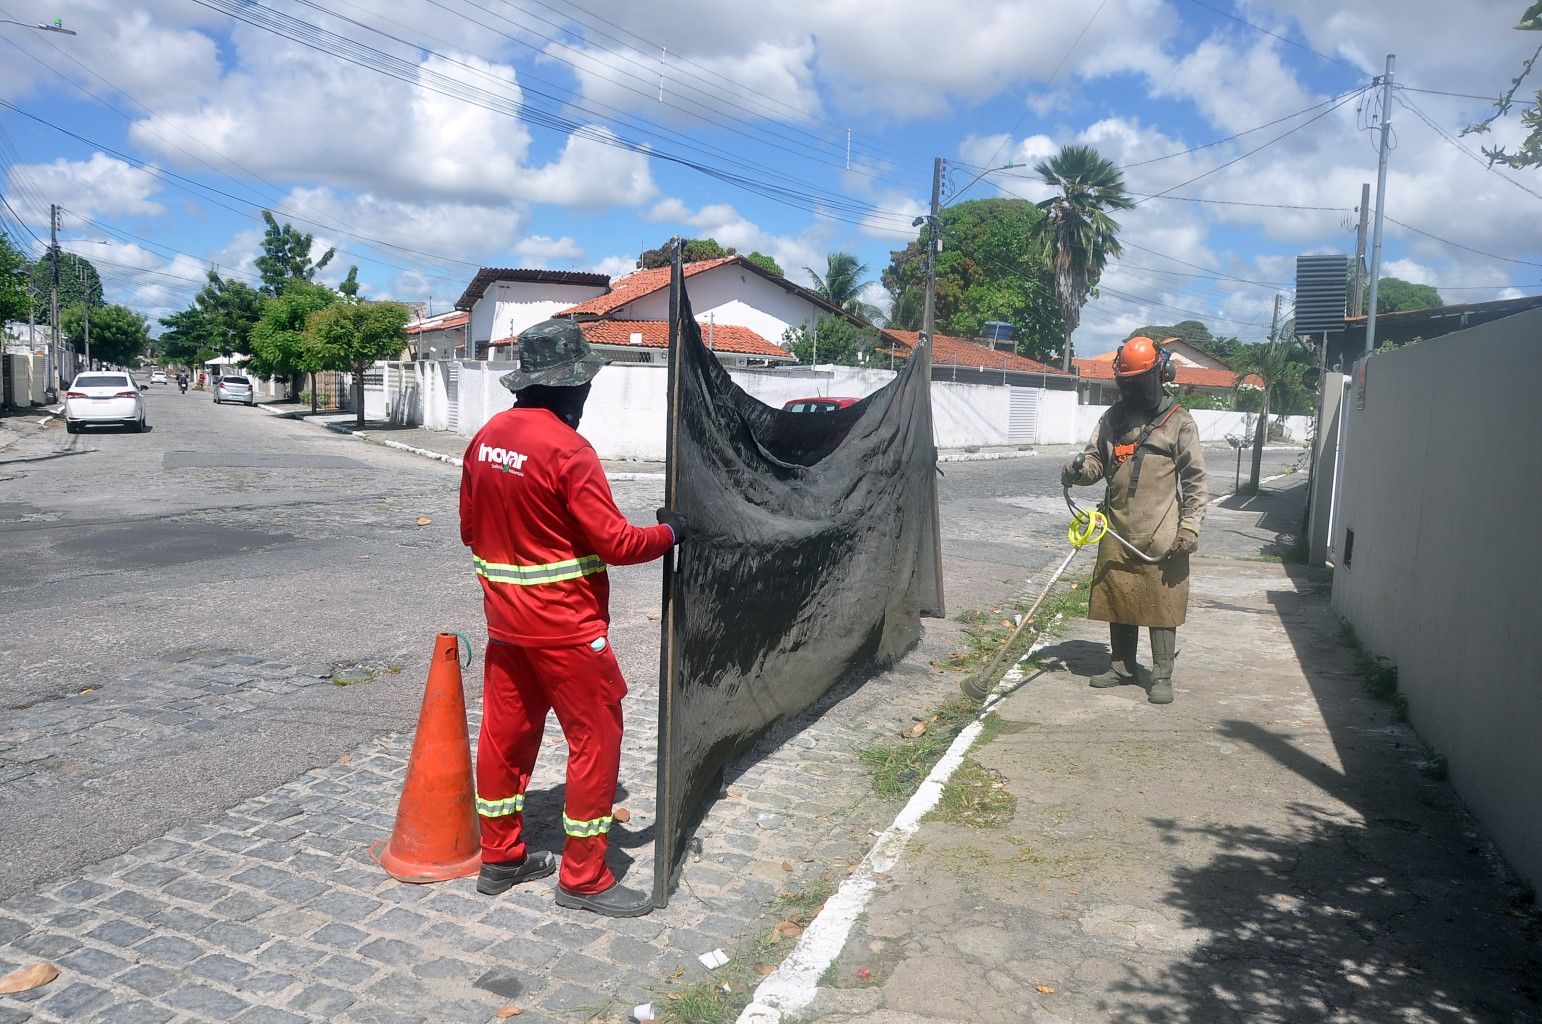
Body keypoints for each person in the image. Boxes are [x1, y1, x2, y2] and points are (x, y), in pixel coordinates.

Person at [459, 318, 687, 918]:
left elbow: (469, 530)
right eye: (584, 384)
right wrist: (670, 533)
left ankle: (500, 858)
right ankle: (584, 878)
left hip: (506, 627)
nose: (585, 396)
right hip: (566, 629)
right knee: (596, 740)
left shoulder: (485, 439)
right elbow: (618, 543)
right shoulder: (568, 449)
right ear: (570, 385)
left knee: (505, 738)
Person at [1062, 337, 1208, 705]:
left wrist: (1190, 526)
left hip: (1162, 529)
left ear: (1161, 375)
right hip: (1117, 526)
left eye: (1139, 382)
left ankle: (1161, 674)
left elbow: (1195, 480)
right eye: (1126, 383)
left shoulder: (1179, 421)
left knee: (1162, 601)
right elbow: (1096, 462)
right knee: (1119, 595)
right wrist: (1077, 471)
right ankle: (1123, 666)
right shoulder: (1112, 419)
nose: (1132, 391)